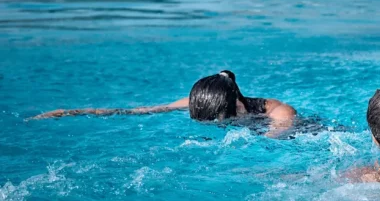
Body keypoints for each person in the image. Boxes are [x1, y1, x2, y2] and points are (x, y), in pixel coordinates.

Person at [29, 70, 297, 137]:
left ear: (238, 106)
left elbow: (277, 136)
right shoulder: (194, 102)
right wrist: (73, 112)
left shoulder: (278, 112)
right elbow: (141, 111)